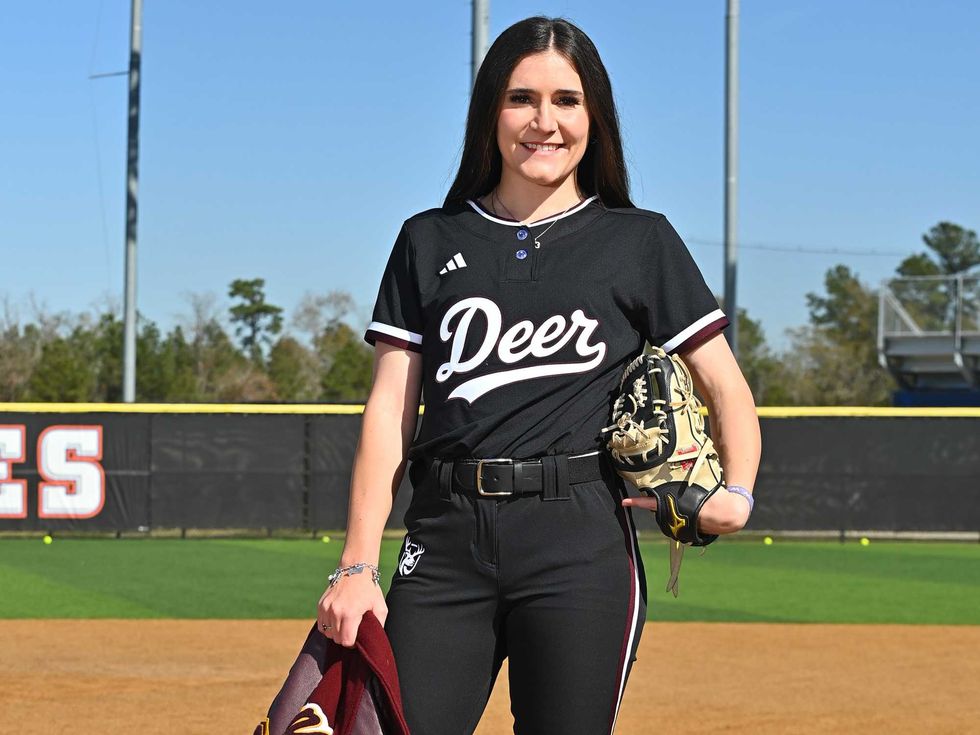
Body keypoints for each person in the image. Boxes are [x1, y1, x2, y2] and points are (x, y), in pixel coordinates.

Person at [316, 15, 761, 735]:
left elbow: (725, 384)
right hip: (445, 537)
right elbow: (390, 408)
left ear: (595, 117)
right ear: (490, 112)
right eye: (521, 98)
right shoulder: (429, 238)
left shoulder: (638, 240)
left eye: (567, 100)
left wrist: (737, 492)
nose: (543, 122)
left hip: (578, 540)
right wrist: (357, 566)